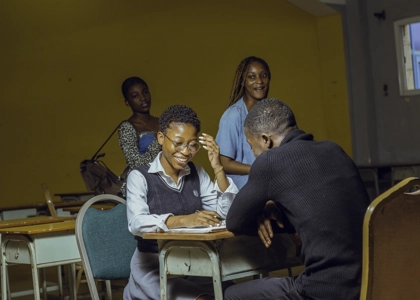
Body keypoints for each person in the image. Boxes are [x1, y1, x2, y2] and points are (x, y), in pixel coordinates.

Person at [224, 98, 370, 300]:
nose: (254, 154)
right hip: (370, 282)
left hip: (324, 290)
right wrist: (275, 209)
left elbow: (235, 221)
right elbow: (318, 210)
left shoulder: (271, 161)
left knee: (230, 294)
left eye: (252, 146)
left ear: (266, 140)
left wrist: (263, 210)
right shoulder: (334, 149)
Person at [124, 105, 238, 300]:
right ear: (161, 138)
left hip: (194, 265)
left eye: (193, 145)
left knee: (232, 294)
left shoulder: (197, 172)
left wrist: (218, 168)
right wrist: (185, 220)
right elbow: (136, 223)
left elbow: (225, 214)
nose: (186, 152)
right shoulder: (139, 177)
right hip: (153, 269)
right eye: (178, 143)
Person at [215, 56, 271, 189]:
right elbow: (224, 163)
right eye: (252, 77)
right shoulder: (232, 115)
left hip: (268, 181)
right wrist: (259, 171)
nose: (259, 81)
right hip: (243, 186)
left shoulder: (272, 112)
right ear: (242, 82)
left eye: (263, 75)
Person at [118, 76, 161, 197]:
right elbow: (136, 163)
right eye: (135, 96)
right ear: (127, 102)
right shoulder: (127, 128)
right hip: (141, 187)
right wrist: (160, 140)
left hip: (167, 182)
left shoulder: (162, 121)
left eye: (145, 92)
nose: (143, 98)